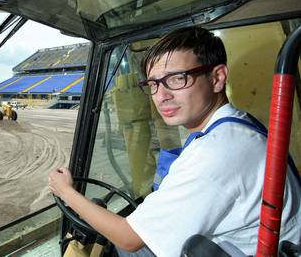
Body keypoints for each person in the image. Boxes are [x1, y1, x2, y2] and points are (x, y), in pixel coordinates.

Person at [49, 27, 301, 256]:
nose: (161, 96)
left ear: (217, 77)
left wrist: (66, 192)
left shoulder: (216, 153)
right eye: (154, 83)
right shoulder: (235, 125)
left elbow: (129, 238)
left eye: (177, 78)